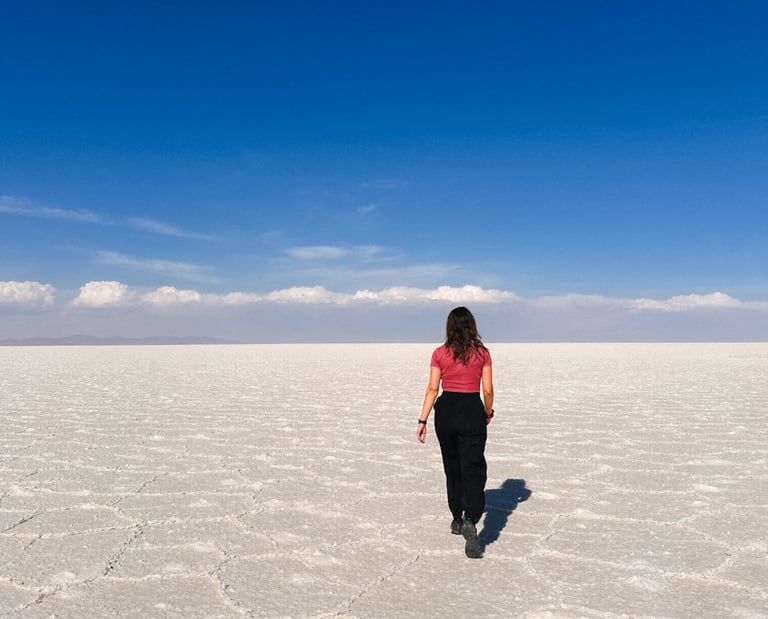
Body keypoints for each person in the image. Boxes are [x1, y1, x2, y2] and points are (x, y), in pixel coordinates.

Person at [417, 306, 494, 559]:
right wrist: (487, 412)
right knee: (473, 466)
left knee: (452, 465)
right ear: (472, 325)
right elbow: (488, 389)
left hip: (446, 411)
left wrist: (422, 420)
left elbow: (432, 388)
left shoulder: (439, 353)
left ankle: (457, 517)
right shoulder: (482, 354)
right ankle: (472, 517)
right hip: (472, 409)